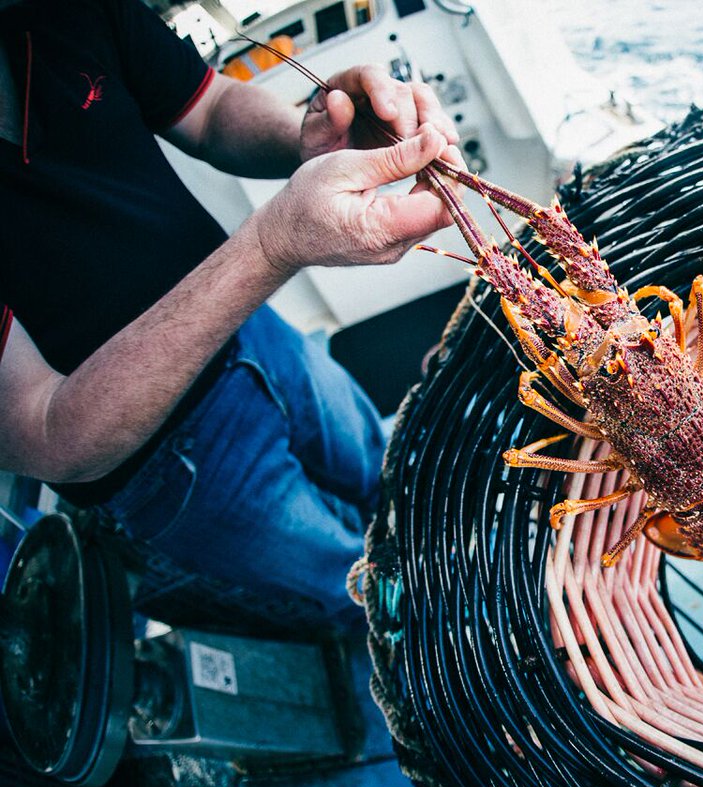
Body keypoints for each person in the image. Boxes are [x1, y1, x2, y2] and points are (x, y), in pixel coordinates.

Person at [0, 0, 462, 630]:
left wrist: (316, 138)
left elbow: (211, 111)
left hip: (255, 336)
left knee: (396, 473)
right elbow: (48, 431)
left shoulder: (63, 13)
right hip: (161, 468)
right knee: (371, 593)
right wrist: (272, 247)